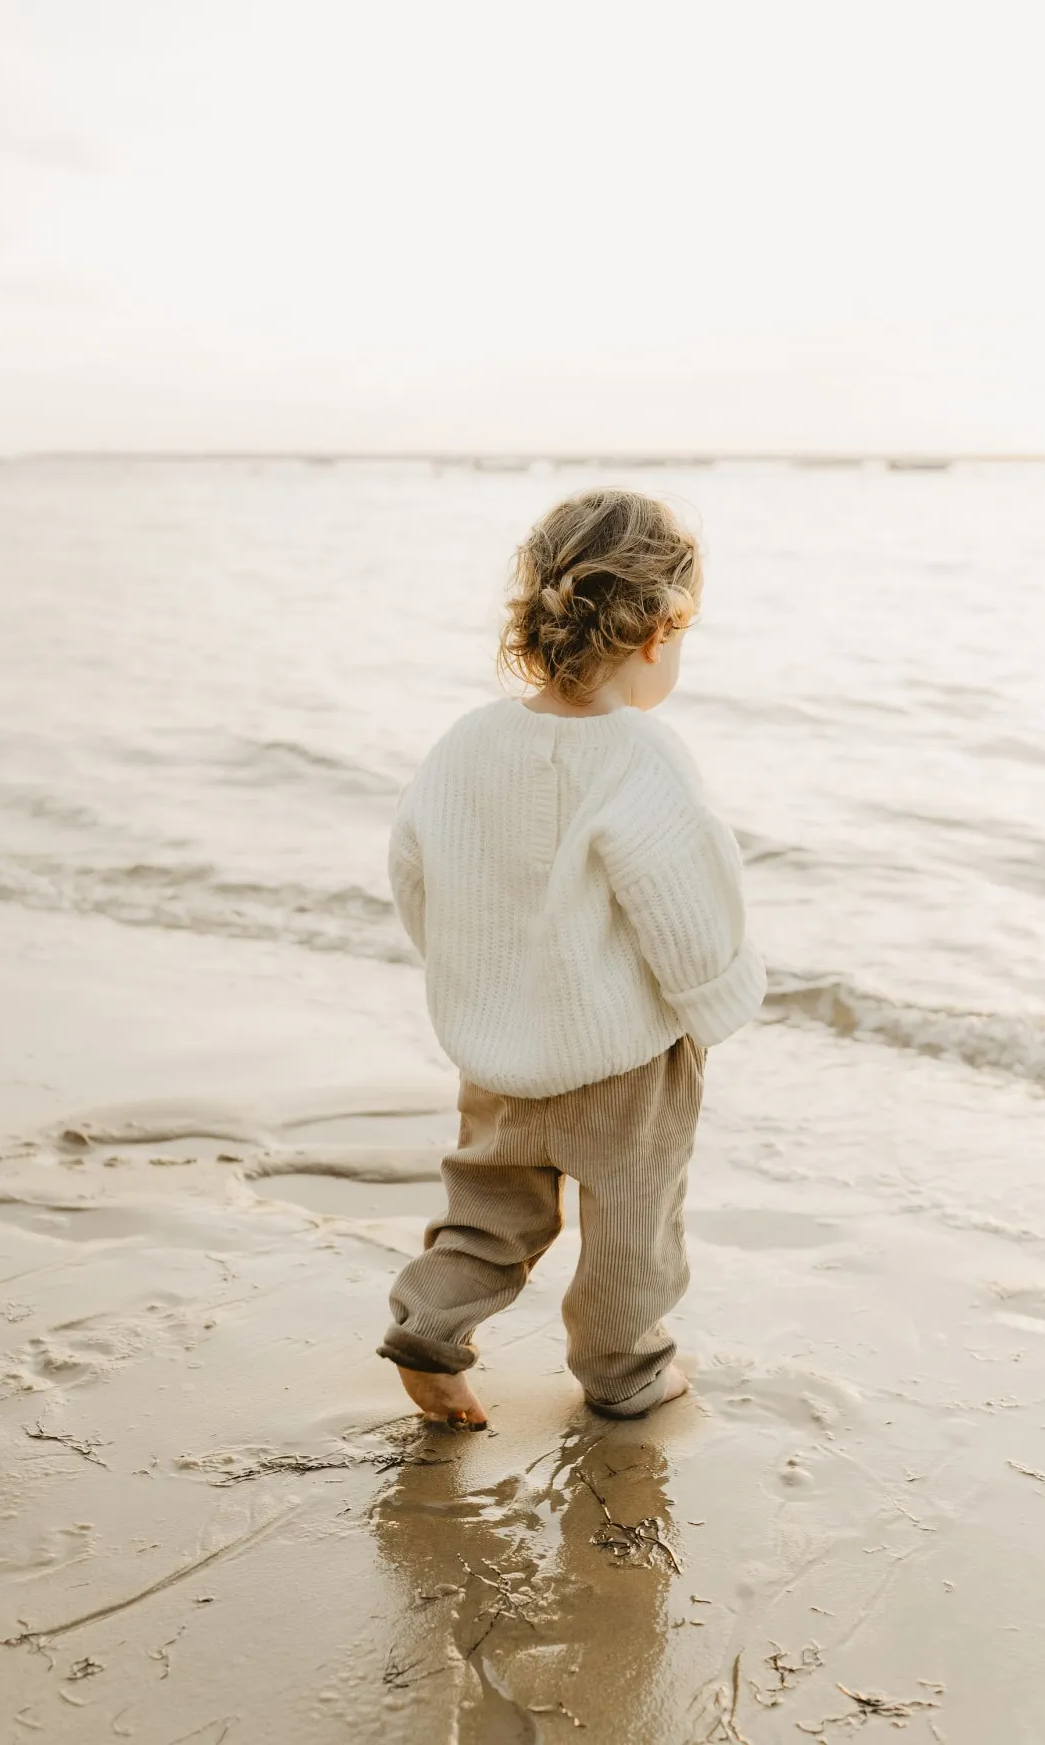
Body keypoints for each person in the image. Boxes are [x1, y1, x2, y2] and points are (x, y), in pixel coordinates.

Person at [377, 487, 767, 1427]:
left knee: (488, 1210)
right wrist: (714, 1003)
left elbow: (413, 871)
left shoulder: (468, 742)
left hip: (498, 1049)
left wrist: (473, 982)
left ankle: (430, 1322)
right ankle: (622, 1369)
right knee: (634, 1224)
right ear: (657, 631)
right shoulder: (645, 757)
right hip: (626, 1059)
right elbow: (687, 908)